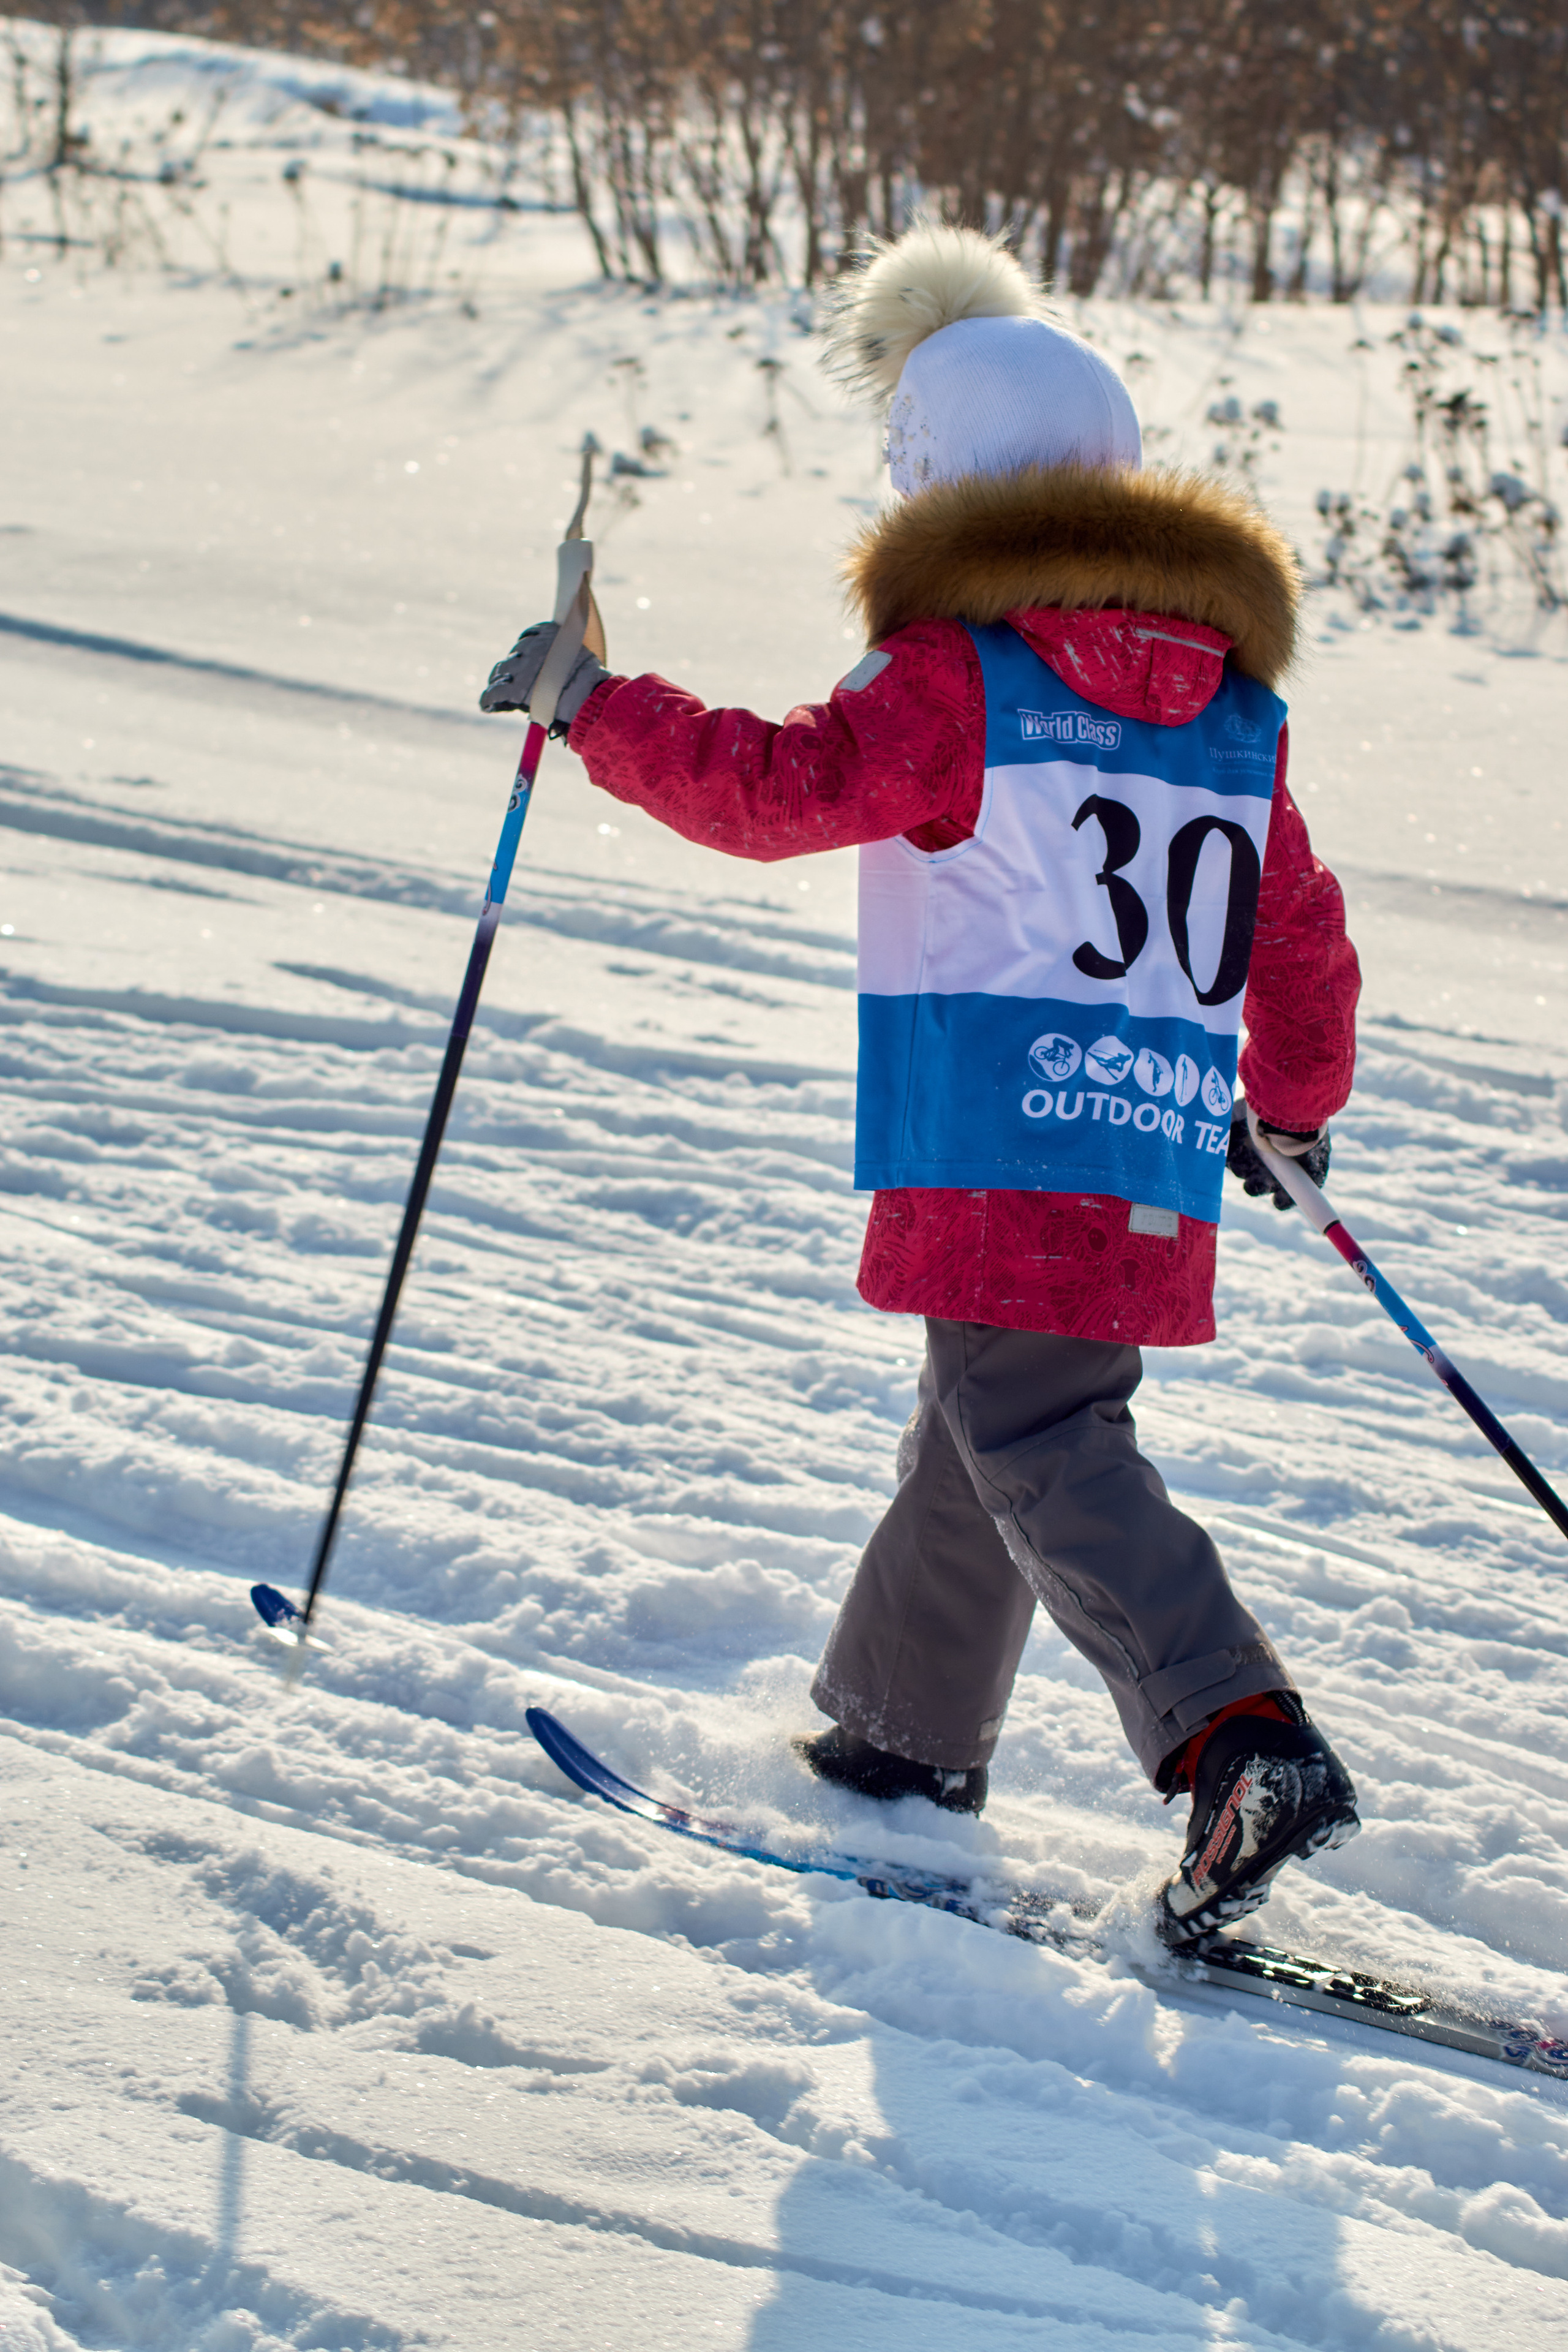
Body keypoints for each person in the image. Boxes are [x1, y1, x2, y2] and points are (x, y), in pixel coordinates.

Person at [480, 222, 1362, 1942]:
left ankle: (1237, 1737)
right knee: (987, 1430)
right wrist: (1295, 1099)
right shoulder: (1225, 710)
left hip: (1001, 1124)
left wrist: (590, 698)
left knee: (1033, 1426)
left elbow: (774, 790)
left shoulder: (969, 671)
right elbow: (1299, 925)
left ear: (943, 485)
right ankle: (901, 1740)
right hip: (1147, 1140)